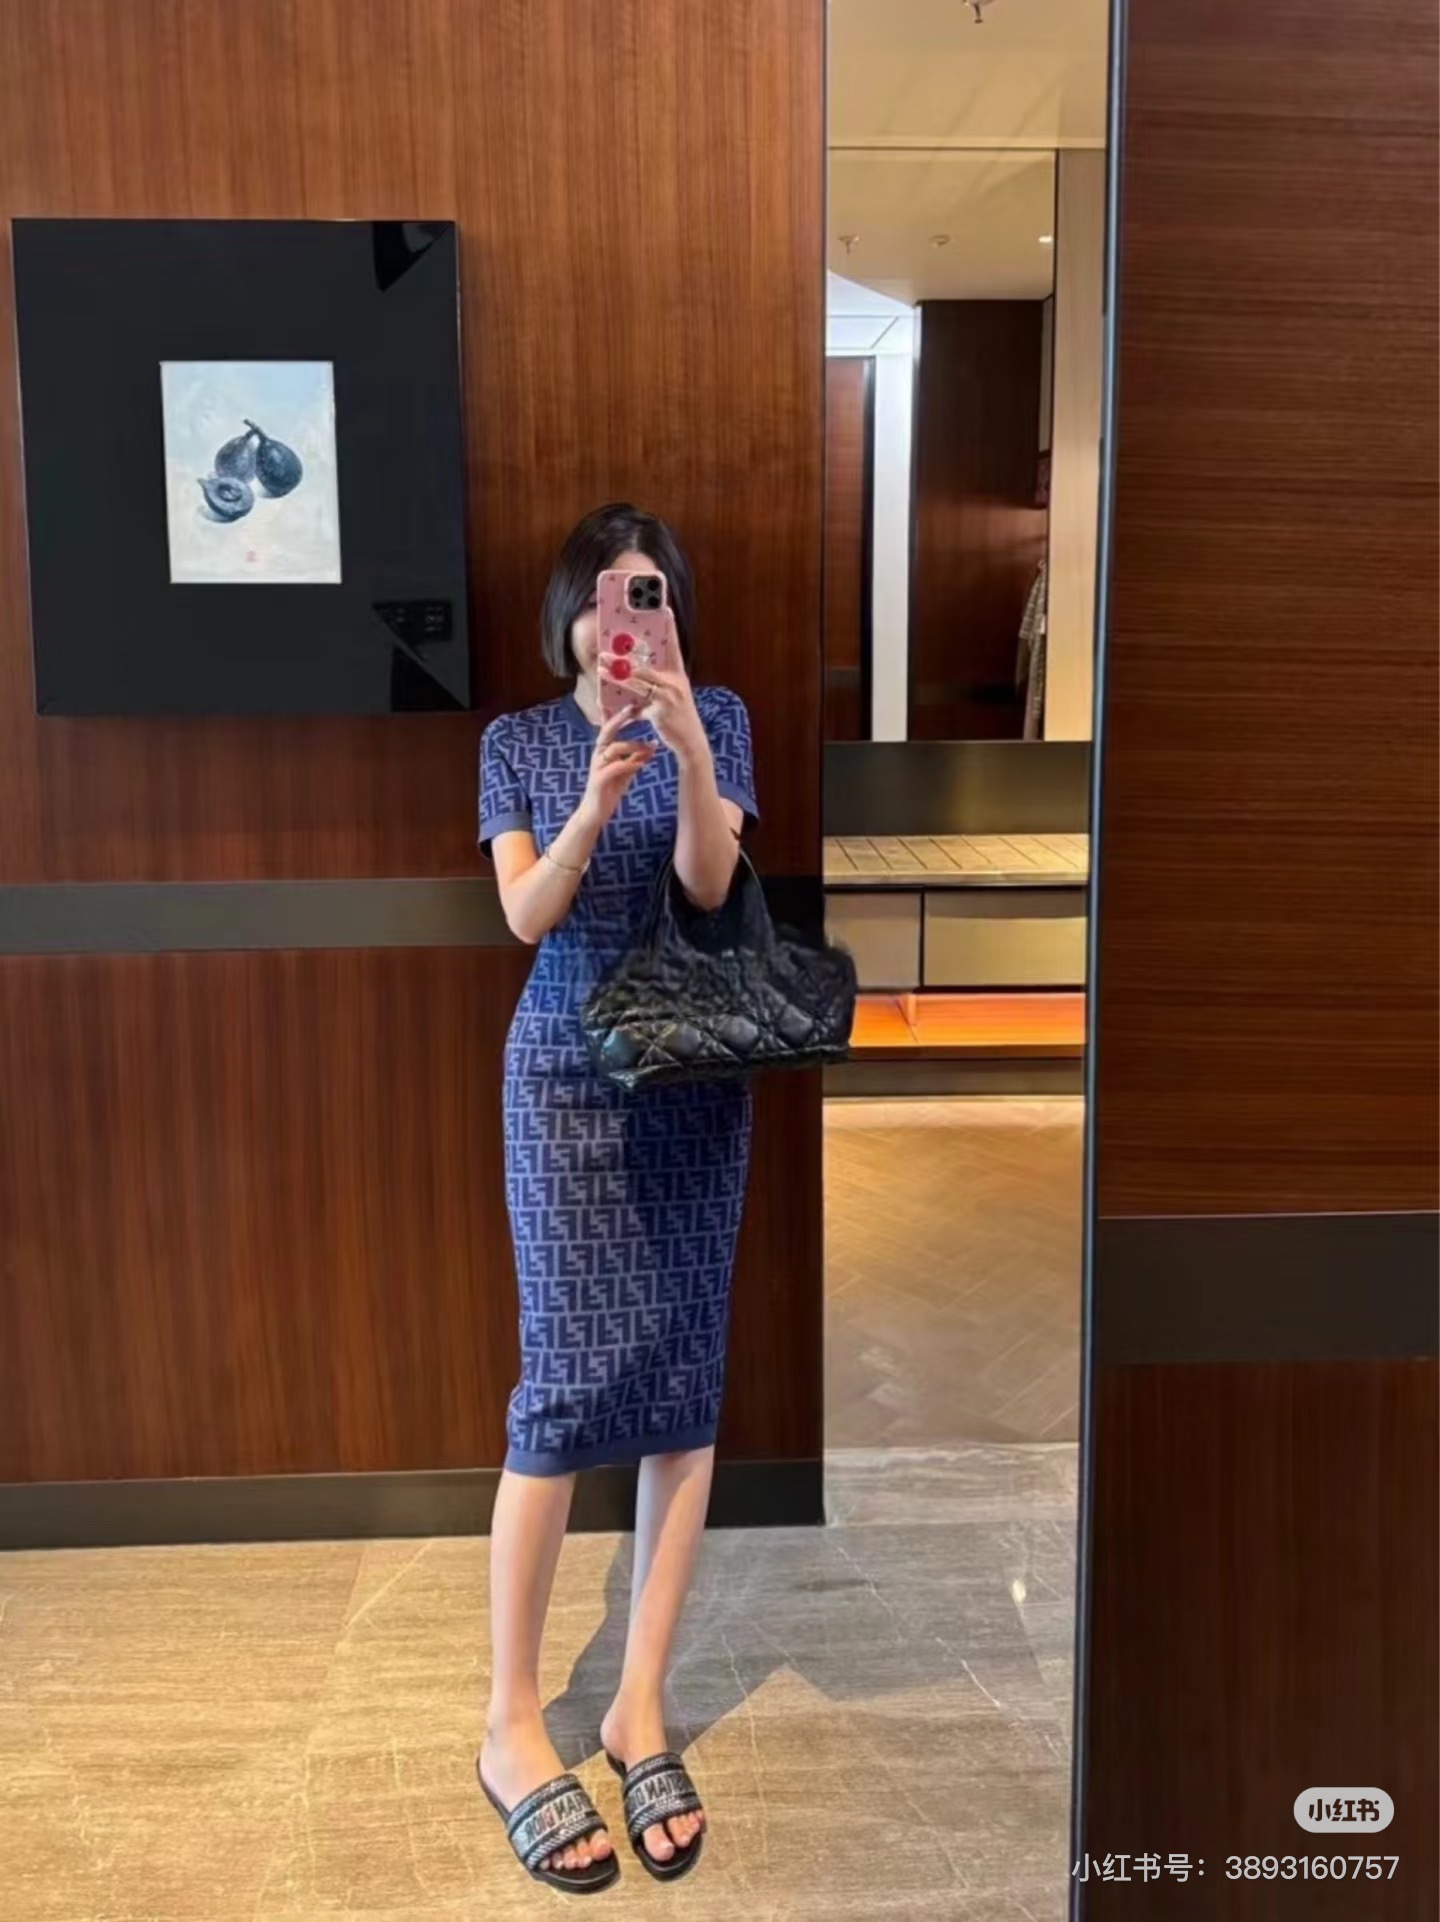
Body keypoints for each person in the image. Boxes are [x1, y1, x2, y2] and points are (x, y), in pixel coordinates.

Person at [475, 503, 758, 1893]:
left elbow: (710, 883)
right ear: (571, 616)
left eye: (646, 594)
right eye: (602, 595)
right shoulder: (520, 743)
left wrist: (690, 748)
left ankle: (640, 1704)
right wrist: (594, 798)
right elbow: (526, 915)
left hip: (694, 1084)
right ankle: (510, 1725)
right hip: (566, 1085)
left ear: (671, 611)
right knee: (561, 1393)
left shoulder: (724, 718)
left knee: (684, 1386)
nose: (621, 618)